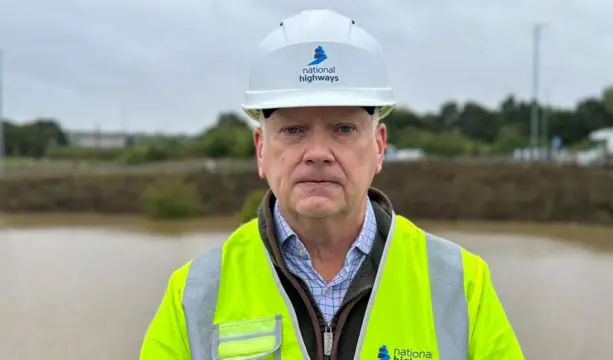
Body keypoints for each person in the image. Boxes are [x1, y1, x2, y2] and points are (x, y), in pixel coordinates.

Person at [139, 8, 525, 360]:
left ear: (379, 146)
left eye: (343, 128)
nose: (318, 152)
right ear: (261, 150)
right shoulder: (193, 295)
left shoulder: (461, 286)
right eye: (293, 130)